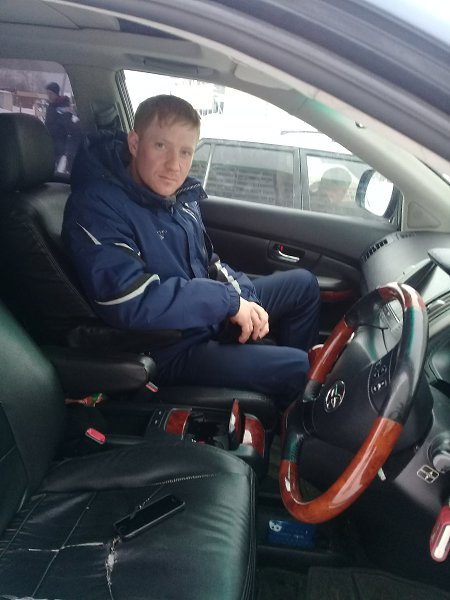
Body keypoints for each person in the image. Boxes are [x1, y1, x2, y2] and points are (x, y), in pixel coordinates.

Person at [62, 95, 320, 409]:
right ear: (135, 143)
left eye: (185, 152)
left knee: (304, 285)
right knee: (303, 368)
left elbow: (208, 263)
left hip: (202, 318)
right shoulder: (97, 206)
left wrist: (244, 300)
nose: (174, 165)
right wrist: (227, 302)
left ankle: (288, 404)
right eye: (161, 146)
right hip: (166, 346)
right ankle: (296, 406)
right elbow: (129, 299)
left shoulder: (179, 200)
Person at [45, 82, 82, 173]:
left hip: (60, 142)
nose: (49, 96)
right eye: (48, 93)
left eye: (50, 93)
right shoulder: (51, 106)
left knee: (59, 165)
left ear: (56, 93)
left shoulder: (63, 106)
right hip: (50, 140)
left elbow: (66, 124)